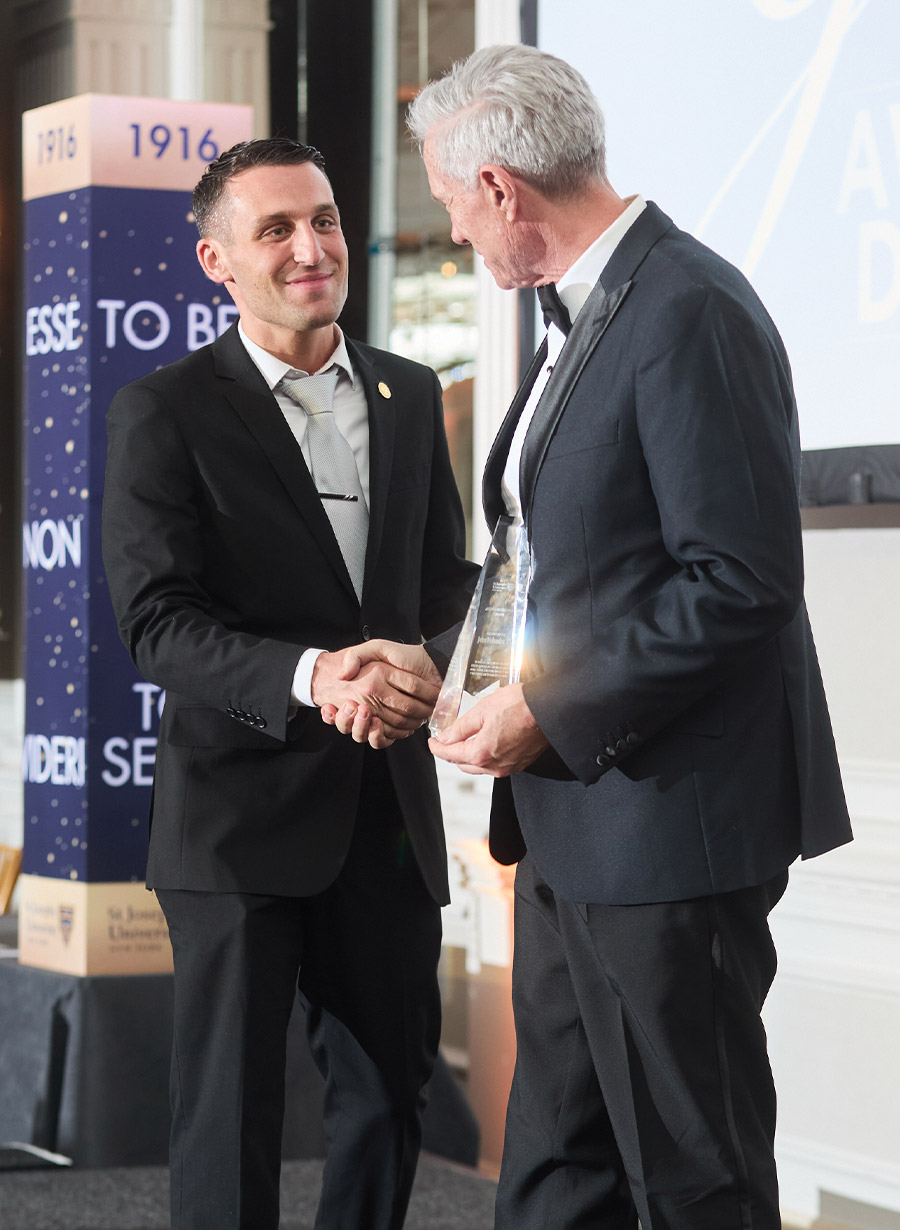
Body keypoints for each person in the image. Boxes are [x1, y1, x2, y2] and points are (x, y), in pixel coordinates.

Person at [340, 43, 854, 1230]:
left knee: (695, 1178)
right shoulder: (586, 312)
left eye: (454, 205)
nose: (457, 234)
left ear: (503, 189)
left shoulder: (690, 309)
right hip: (578, 829)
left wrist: (544, 709)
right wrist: (458, 663)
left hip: (671, 831)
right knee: (557, 1178)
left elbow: (741, 580)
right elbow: (556, 564)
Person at [101, 136, 479, 1230]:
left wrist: (428, 660)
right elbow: (157, 625)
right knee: (228, 1116)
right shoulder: (163, 411)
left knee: (388, 1099)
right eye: (277, 229)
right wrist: (318, 677)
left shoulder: (411, 394)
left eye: (322, 221)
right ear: (217, 260)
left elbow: (443, 583)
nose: (312, 247)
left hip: (388, 816)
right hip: (235, 819)